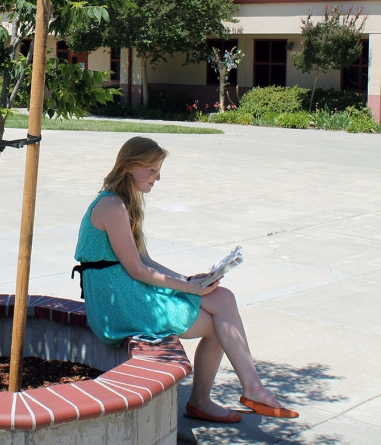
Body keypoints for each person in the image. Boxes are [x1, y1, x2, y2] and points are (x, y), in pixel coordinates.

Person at [73, 136, 298, 422]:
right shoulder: (112, 206)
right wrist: (190, 287)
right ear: (131, 167)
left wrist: (191, 280)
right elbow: (137, 270)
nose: (157, 178)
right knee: (219, 325)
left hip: (130, 292)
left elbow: (146, 261)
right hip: (119, 303)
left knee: (223, 297)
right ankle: (217, 397)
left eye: (158, 170)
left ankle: (249, 389)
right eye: (152, 170)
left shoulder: (123, 204)